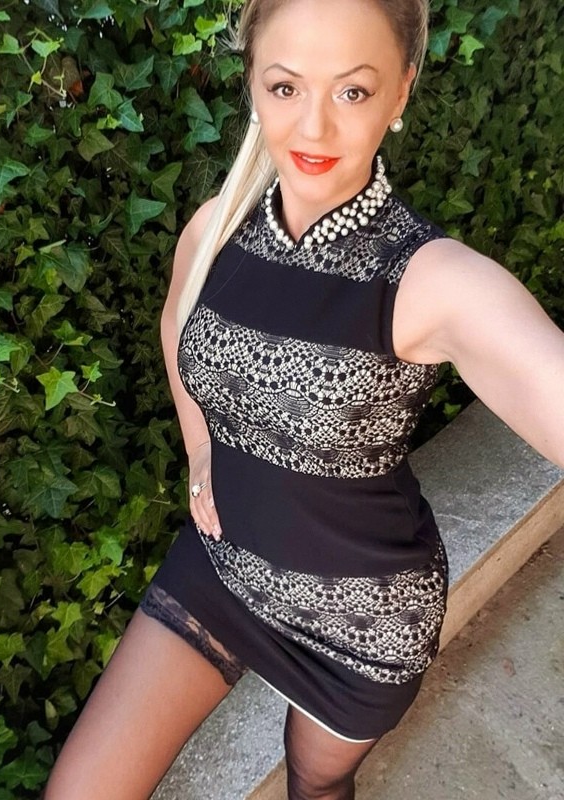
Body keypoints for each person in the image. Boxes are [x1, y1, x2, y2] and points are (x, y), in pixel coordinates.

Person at [43, 1, 564, 798]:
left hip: (361, 620)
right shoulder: (215, 228)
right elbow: (176, 324)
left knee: (315, 786)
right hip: (222, 566)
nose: (314, 126)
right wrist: (202, 450)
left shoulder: (429, 280)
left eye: (353, 91)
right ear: (253, 81)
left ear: (401, 92)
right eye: (286, 87)